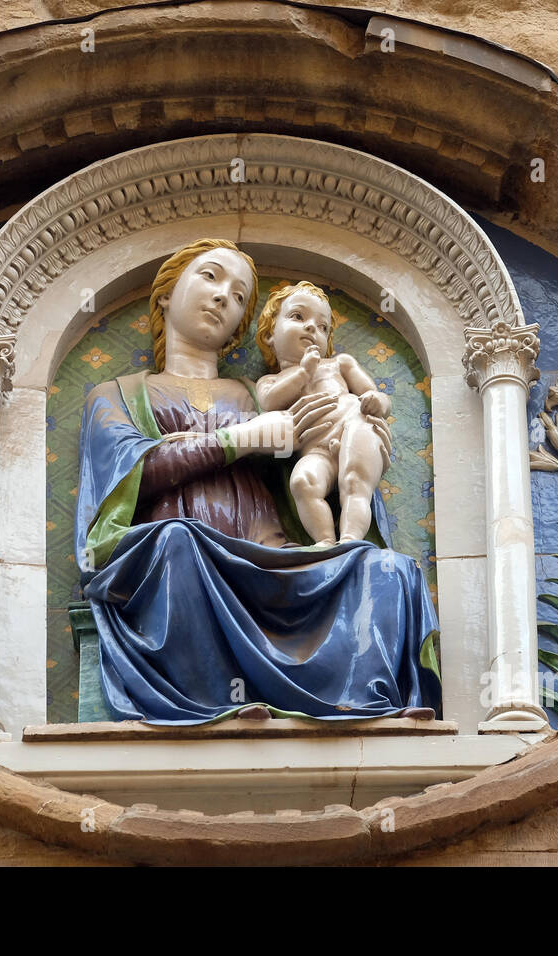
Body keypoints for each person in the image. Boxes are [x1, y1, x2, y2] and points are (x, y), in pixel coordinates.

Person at [75, 237, 440, 724]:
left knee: (386, 569)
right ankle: (214, 706)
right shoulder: (117, 393)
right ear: (165, 295)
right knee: (180, 544)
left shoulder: (264, 393)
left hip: (270, 556)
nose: (225, 295)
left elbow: (318, 460)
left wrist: (356, 429)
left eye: (241, 295)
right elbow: (129, 474)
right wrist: (238, 439)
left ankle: (368, 704)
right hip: (176, 556)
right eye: (210, 277)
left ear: (244, 328)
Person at [254, 281, 393, 547]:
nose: (311, 328)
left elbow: (376, 395)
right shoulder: (270, 381)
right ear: (270, 332)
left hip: (356, 427)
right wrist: (303, 372)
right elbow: (269, 402)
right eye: (298, 316)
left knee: (355, 481)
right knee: (303, 482)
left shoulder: (339, 364)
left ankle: (351, 539)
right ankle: (325, 541)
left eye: (322, 327)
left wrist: (378, 401)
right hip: (316, 449)